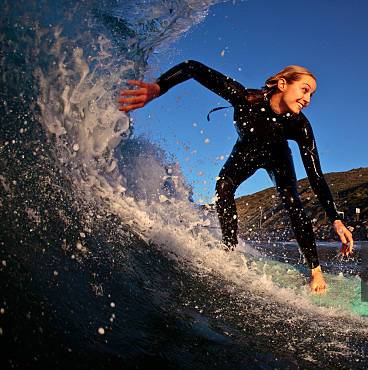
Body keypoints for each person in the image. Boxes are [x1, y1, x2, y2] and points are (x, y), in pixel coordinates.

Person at [118, 60, 353, 293]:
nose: (308, 99)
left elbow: (315, 175)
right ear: (282, 84)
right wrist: (159, 87)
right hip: (245, 152)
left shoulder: (299, 125)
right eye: (305, 90)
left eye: (311, 94)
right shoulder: (245, 99)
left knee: (292, 200)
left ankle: (315, 270)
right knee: (223, 187)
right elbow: (192, 67)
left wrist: (335, 218)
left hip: (277, 157)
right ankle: (229, 249)